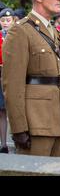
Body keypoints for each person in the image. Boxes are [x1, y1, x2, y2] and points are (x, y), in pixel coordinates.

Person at [2, 0, 60, 157]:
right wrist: (19, 128)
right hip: (35, 124)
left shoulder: (51, 31)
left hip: (57, 121)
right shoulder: (20, 31)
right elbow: (12, 84)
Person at [0, 8, 15, 153]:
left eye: (8, 20)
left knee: (15, 110)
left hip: (14, 77)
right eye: (3, 20)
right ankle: (3, 143)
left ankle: (18, 140)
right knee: (2, 111)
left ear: (13, 21)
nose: (5, 23)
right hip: (1, 76)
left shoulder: (17, 36)